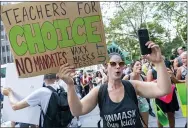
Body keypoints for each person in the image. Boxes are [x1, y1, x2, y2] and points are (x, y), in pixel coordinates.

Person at [57, 41, 171, 128]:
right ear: (106, 67)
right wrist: (70, 85)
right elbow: (77, 111)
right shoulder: (99, 92)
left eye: (121, 63)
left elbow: (163, 89)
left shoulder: (132, 86)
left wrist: (159, 62)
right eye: (113, 63)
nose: (118, 66)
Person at [2, 73, 74, 128]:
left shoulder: (42, 92)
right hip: (63, 124)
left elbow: (15, 106)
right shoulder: (60, 88)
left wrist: (9, 93)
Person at [123, 60, 149, 127]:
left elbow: (148, 89)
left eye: (140, 64)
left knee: (145, 125)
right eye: (137, 65)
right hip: (131, 104)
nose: (140, 66)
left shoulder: (144, 77)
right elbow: (120, 90)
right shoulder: (127, 77)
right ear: (132, 67)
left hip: (143, 102)